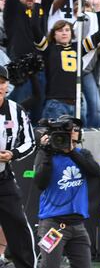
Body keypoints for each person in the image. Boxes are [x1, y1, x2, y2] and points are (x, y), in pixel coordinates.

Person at [34, 115, 100, 268]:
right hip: (53, 225)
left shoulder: (83, 154)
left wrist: (70, 151)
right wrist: (46, 152)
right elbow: (40, 183)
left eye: (76, 129)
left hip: (78, 226)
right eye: (69, 129)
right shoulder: (46, 154)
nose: (72, 132)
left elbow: (95, 172)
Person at [0, 65, 37, 268]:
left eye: (2, 81)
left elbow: (30, 142)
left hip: (4, 177)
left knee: (18, 225)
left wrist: (13, 154)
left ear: (7, 85)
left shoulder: (16, 110)